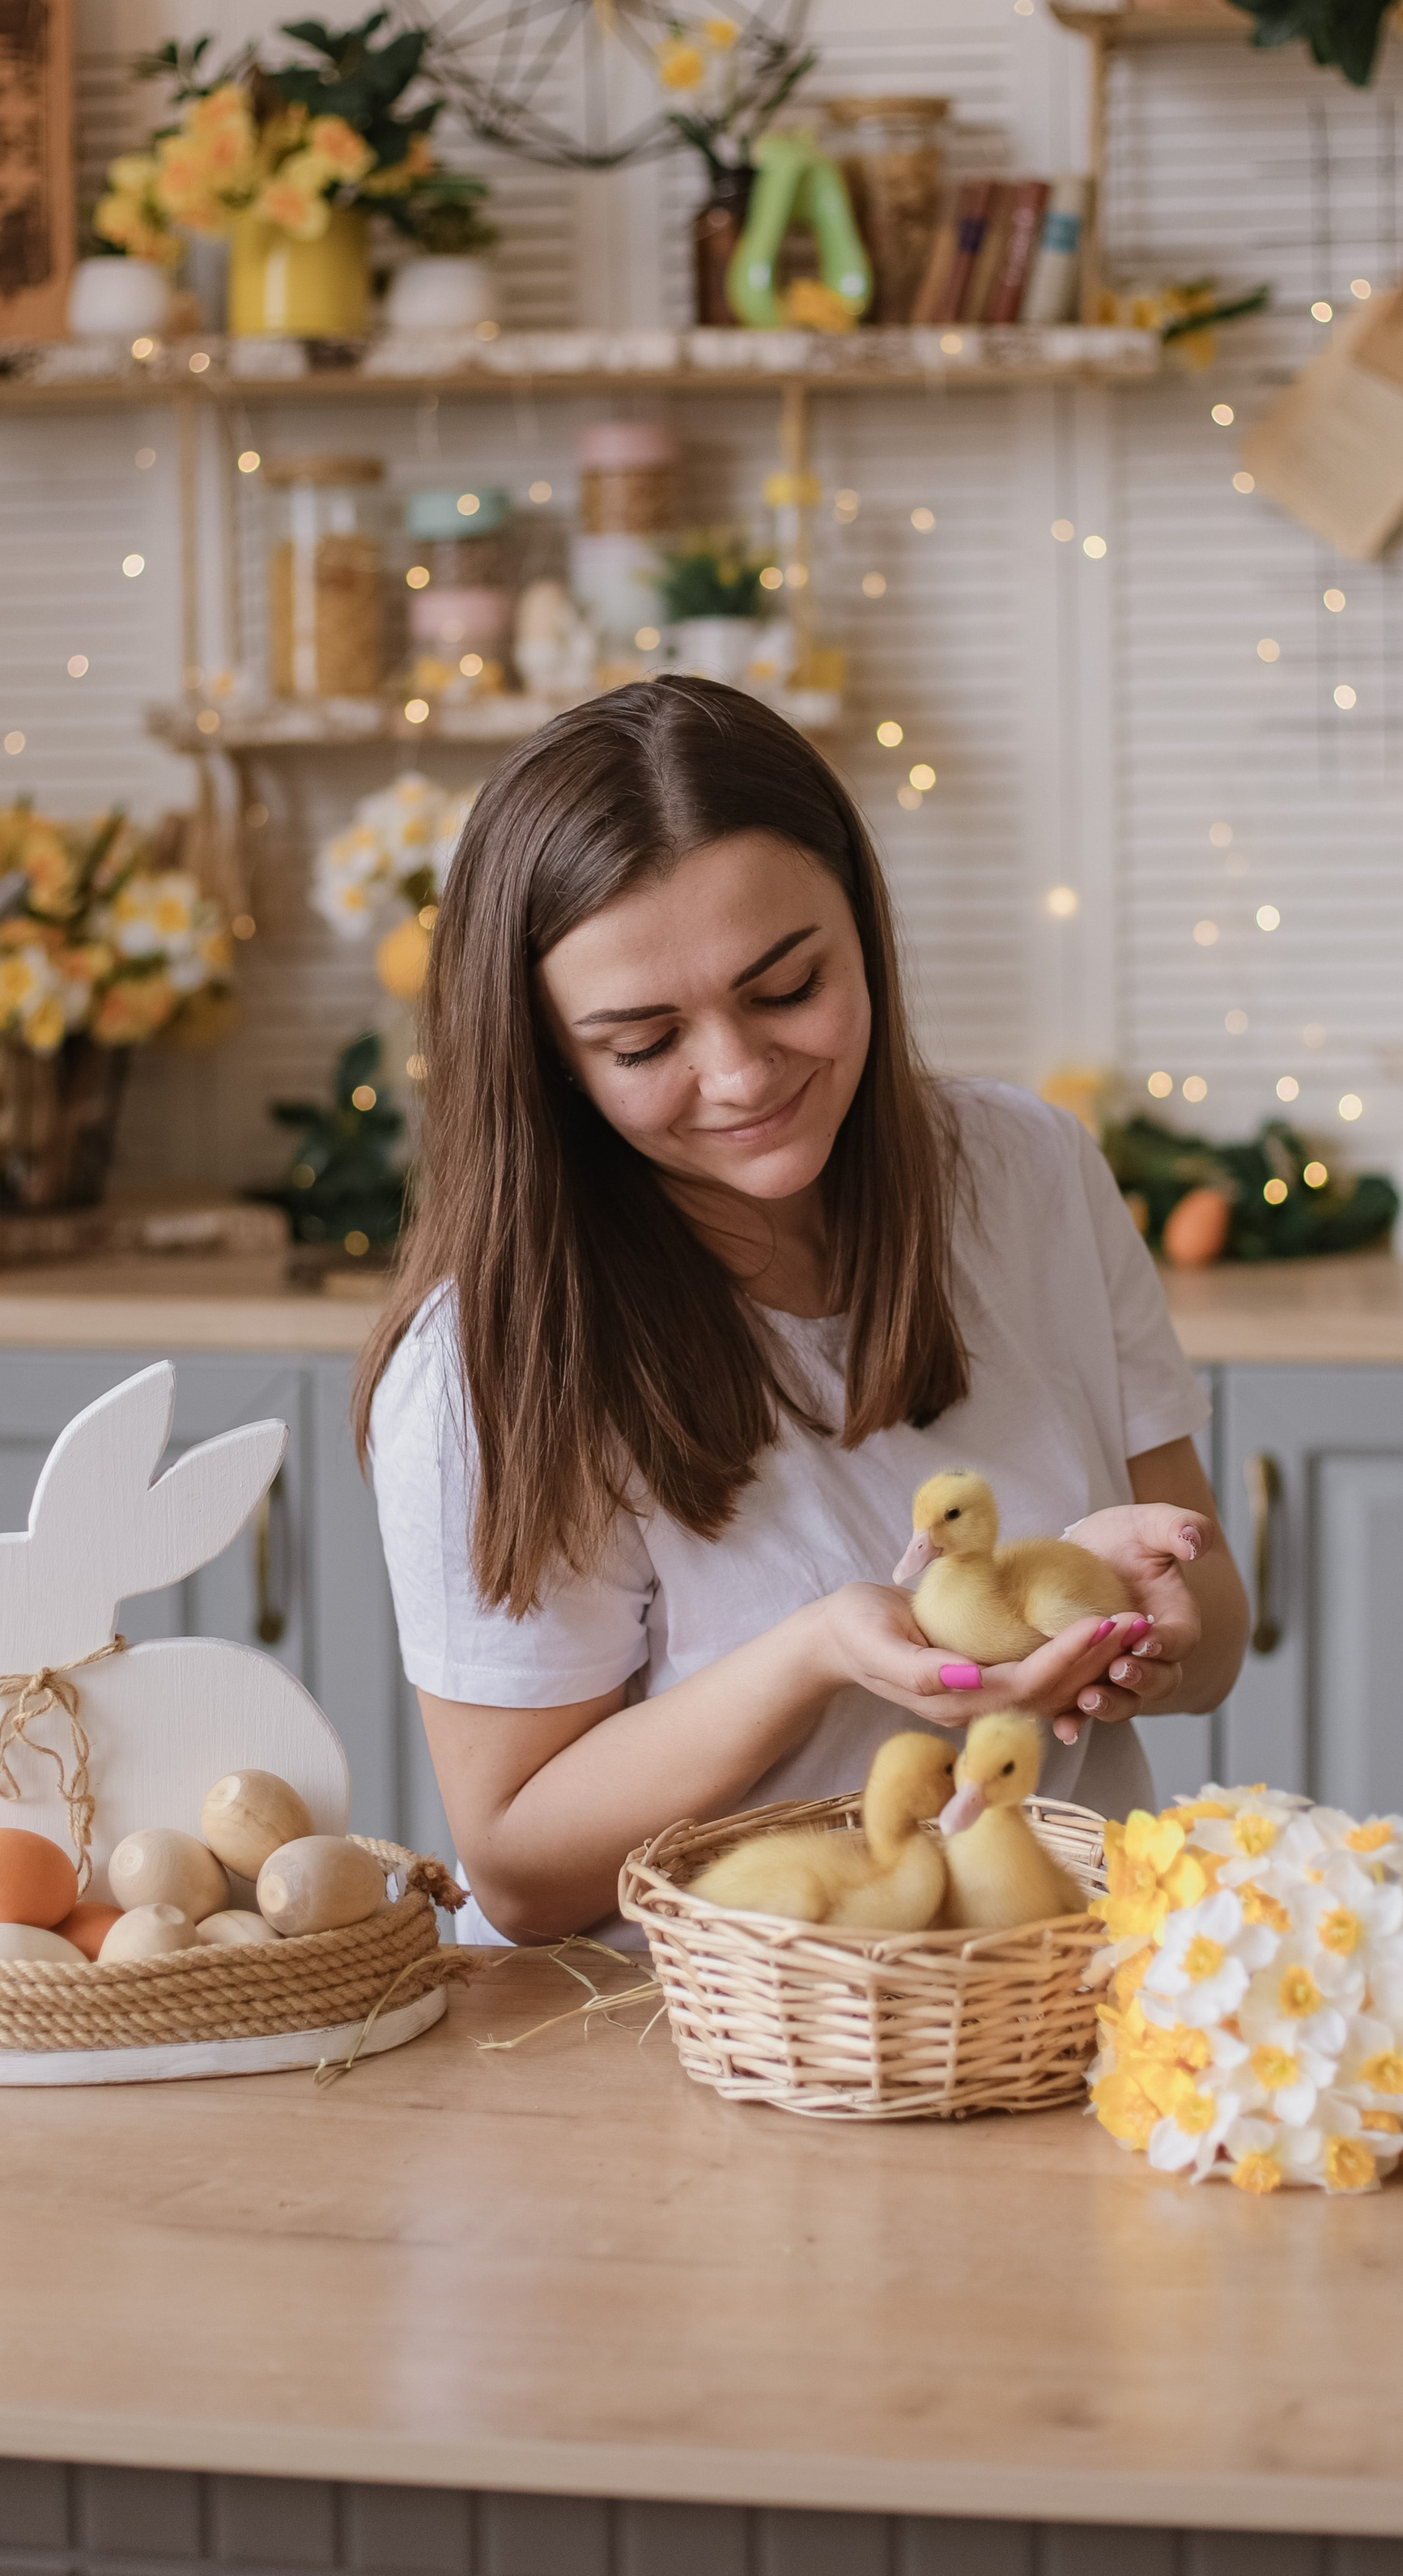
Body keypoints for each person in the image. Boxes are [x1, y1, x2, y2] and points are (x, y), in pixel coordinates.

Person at [357, 677, 1248, 1944]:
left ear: (862, 926)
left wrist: (1139, 1627)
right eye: (642, 1042)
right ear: (553, 1057)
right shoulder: (490, 1363)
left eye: (784, 987)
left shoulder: (1027, 1174)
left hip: (1034, 2010)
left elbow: (1216, 1646)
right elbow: (515, 1868)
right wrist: (821, 1647)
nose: (737, 1073)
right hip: (676, 2051)